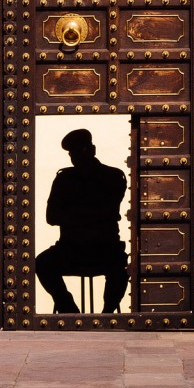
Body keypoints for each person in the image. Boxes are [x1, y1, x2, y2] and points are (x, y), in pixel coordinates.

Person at [35, 128, 129, 314]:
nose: (76, 158)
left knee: (121, 267)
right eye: (74, 154)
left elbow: (108, 210)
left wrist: (72, 215)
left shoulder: (113, 177)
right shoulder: (65, 179)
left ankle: (107, 314)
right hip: (73, 249)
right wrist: (90, 214)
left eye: (80, 152)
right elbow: (51, 217)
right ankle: (69, 309)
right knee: (41, 263)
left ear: (92, 150)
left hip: (102, 248)